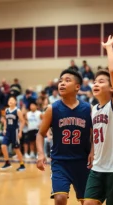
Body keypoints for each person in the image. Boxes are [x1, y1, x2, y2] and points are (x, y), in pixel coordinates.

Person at [83, 32, 113, 205]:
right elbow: (97, 133)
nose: (96, 84)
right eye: (95, 81)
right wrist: (93, 151)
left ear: (112, 88)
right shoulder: (93, 109)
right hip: (97, 167)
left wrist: (109, 48)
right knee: (88, 203)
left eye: (101, 82)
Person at [36, 68, 92, 205]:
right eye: (60, 81)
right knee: (60, 198)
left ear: (77, 87)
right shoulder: (52, 109)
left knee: (88, 202)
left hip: (83, 162)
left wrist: (93, 151)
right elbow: (40, 134)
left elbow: (94, 134)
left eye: (67, 81)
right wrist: (40, 154)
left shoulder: (88, 108)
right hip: (60, 162)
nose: (62, 83)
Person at [0, 96, 26, 171]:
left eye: (12, 100)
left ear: (15, 102)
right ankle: (7, 163)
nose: (10, 101)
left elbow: (23, 121)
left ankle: (22, 165)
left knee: (16, 149)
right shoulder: (6, 110)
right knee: (3, 146)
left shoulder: (17, 110)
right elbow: (5, 120)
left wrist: (20, 131)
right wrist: (4, 129)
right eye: (9, 100)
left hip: (15, 131)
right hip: (8, 131)